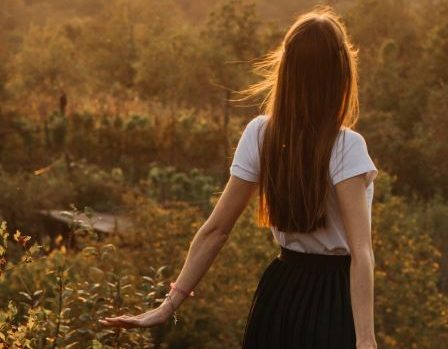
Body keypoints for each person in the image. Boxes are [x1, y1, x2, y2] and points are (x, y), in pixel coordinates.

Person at [99, 6, 379, 349]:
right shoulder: (346, 146)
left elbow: (216, 230)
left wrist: (168, 304)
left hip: (278, 298)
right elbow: (362, 252)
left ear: (287, 69)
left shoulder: (261, 133)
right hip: (333, 303)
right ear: (340, 72)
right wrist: (366, 339)